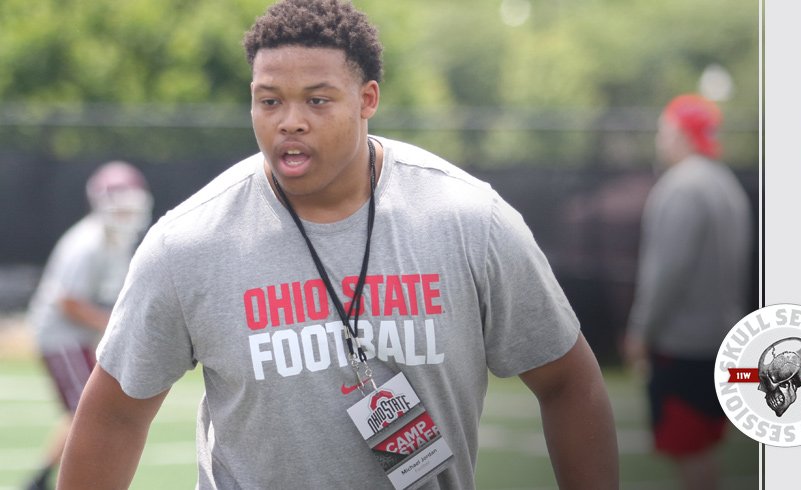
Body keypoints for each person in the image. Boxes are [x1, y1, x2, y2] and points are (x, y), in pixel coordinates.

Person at [56, 1, 619, 489]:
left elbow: (568, 381)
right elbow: (114, 415)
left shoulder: (471, 220)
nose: (289, 122)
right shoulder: (187, 243)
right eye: (269, 101)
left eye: (318, 101)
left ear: (367, 98)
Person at [622, 94, 752, 490]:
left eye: (665, 131)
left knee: (690, 451)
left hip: (681, 344)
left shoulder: (681, 188)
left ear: (682, 134)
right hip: (722, 338)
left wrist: (641, 331)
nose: (661, 141)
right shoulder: (727, 186)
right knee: (703, 449)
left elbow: (667, 272)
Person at [23, 161, 153, 490]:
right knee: (88, 412)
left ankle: (40, 478)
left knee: (85, 409)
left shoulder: (118, 241)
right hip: (61, 336)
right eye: (119, 208)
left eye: (130, 208)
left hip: (80, 336)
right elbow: (67, 301)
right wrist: (112, 323)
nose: (125, 215)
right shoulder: (87, 242)